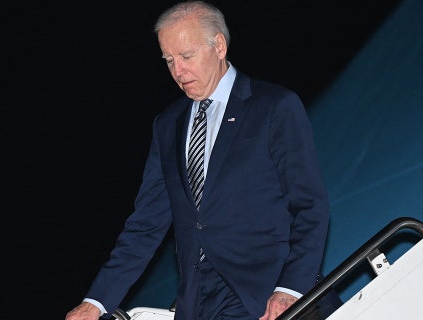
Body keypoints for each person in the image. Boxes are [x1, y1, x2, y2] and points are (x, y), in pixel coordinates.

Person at [66, 1, 330, 319]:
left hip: (263, 291)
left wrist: (290, 290)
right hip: (197, 302)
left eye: (186, 56)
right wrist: (95, 302)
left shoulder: (273, 107)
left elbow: (310, 206)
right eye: (169, 60)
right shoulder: (167, 125)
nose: (178, 71)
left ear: (218, 45)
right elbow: (146, 224)